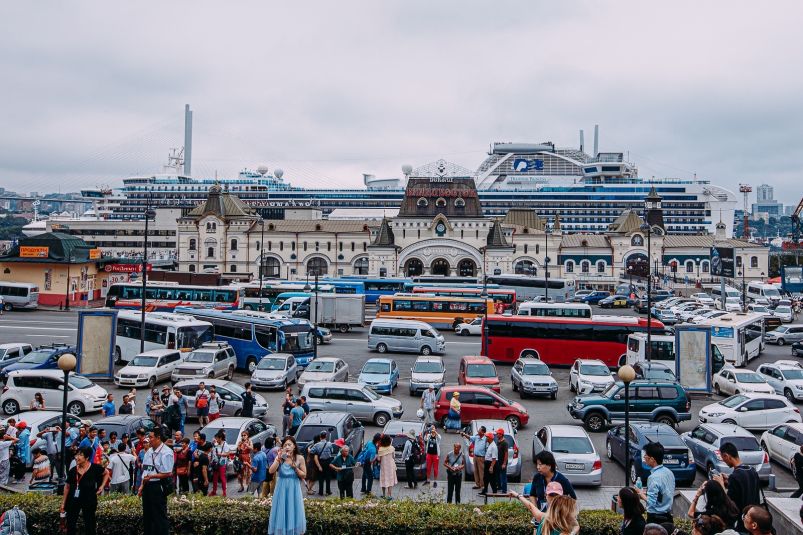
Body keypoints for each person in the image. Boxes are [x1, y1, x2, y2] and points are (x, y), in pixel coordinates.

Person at [60, 446, 110, 535]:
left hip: (89, 499)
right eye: (77, 455)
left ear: (87, 457)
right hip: (73, 500)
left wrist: (102, 486)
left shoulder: (95, 468)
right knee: (71, 523)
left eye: (80, 455)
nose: (77, 457)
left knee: (90, 523)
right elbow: (67, 487)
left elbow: (106, 473)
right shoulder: (73, 470)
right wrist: (63, 503)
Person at [712, 441, 761, 533]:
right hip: (754, 519)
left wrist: (721, 484)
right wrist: (729, 480)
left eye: (723, 458)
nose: (724, 461)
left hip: (742, 523)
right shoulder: (752, 471)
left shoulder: (735, 476)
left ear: (727, 456)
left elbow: (730, 503)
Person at [267, 436, 306, 535]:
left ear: (294, 446)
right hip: (282, 488)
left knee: (294, 510)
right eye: (285, 445)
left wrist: (295, 468)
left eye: (289, 444)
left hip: (294, 488)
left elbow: (304, 475)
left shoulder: (299, 458)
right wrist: (278, 459)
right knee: (281, 510)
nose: (287, 447)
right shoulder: (281, 457)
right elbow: (271, 471)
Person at [138, 428, 174, 535]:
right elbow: (145, 470)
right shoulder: (149, 451)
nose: (149, 440)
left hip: (158, 486)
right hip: (148, 485)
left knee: (159, 516)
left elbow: (168, 472)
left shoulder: (166, 452)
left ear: (158, 438)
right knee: (147, 516)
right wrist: (141, 486)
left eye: (151, 437)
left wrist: (152, 476)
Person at [510, 486, 580, 535]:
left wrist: (518, 495)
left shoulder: (543, 518)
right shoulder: (564, 533)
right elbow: (576, 525)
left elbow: (530, 506)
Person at [634, 442, 675, 525]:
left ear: (652, 459)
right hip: (667, 516)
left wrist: (640, 493)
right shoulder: (669, 472)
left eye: (645, 456)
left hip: (655, 518)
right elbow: (665, 493)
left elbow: (651, 502)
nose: (644, 458)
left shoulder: (653, 478)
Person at [310, 431, 333, 496]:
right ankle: (328, 491)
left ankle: (321, 491)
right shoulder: (329, 444)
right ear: (326, 436)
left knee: (321, 477)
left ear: (320, 437)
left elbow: (312, 451)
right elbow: (332, 451)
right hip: (328, 461)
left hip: (321, 461)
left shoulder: (317, 445)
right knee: (328, 477)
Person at [210, 431, 231, 497]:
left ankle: (224, 492)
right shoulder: (216, 444)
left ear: (220, 438)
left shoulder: (225, 445)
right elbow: (213, 452)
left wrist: (221, 454)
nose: (216, 440)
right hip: (215, 462)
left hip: (222, 463)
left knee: (222, 477)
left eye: (217, 438)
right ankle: (214, 490)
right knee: (215, 477)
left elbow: (227, 453)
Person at [377, 434, 397, 500]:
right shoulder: (391, 448)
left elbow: (379, 459)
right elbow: (393, 457)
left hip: (384, 467)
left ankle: (383, 494)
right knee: (390, 480)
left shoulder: (380, 449)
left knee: (383, 479)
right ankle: (389, 495)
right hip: (391, 466)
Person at [495, 427, 509, 494]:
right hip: (498, 460)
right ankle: (499, 486)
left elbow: (506, 453)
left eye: (498, 433)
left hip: (502, 460)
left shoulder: (504, 443)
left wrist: (504, 463)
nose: (496, 434)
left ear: (501, 434)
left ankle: (504, 490)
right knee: (497, 474)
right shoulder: (498, 441)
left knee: (503, 476)